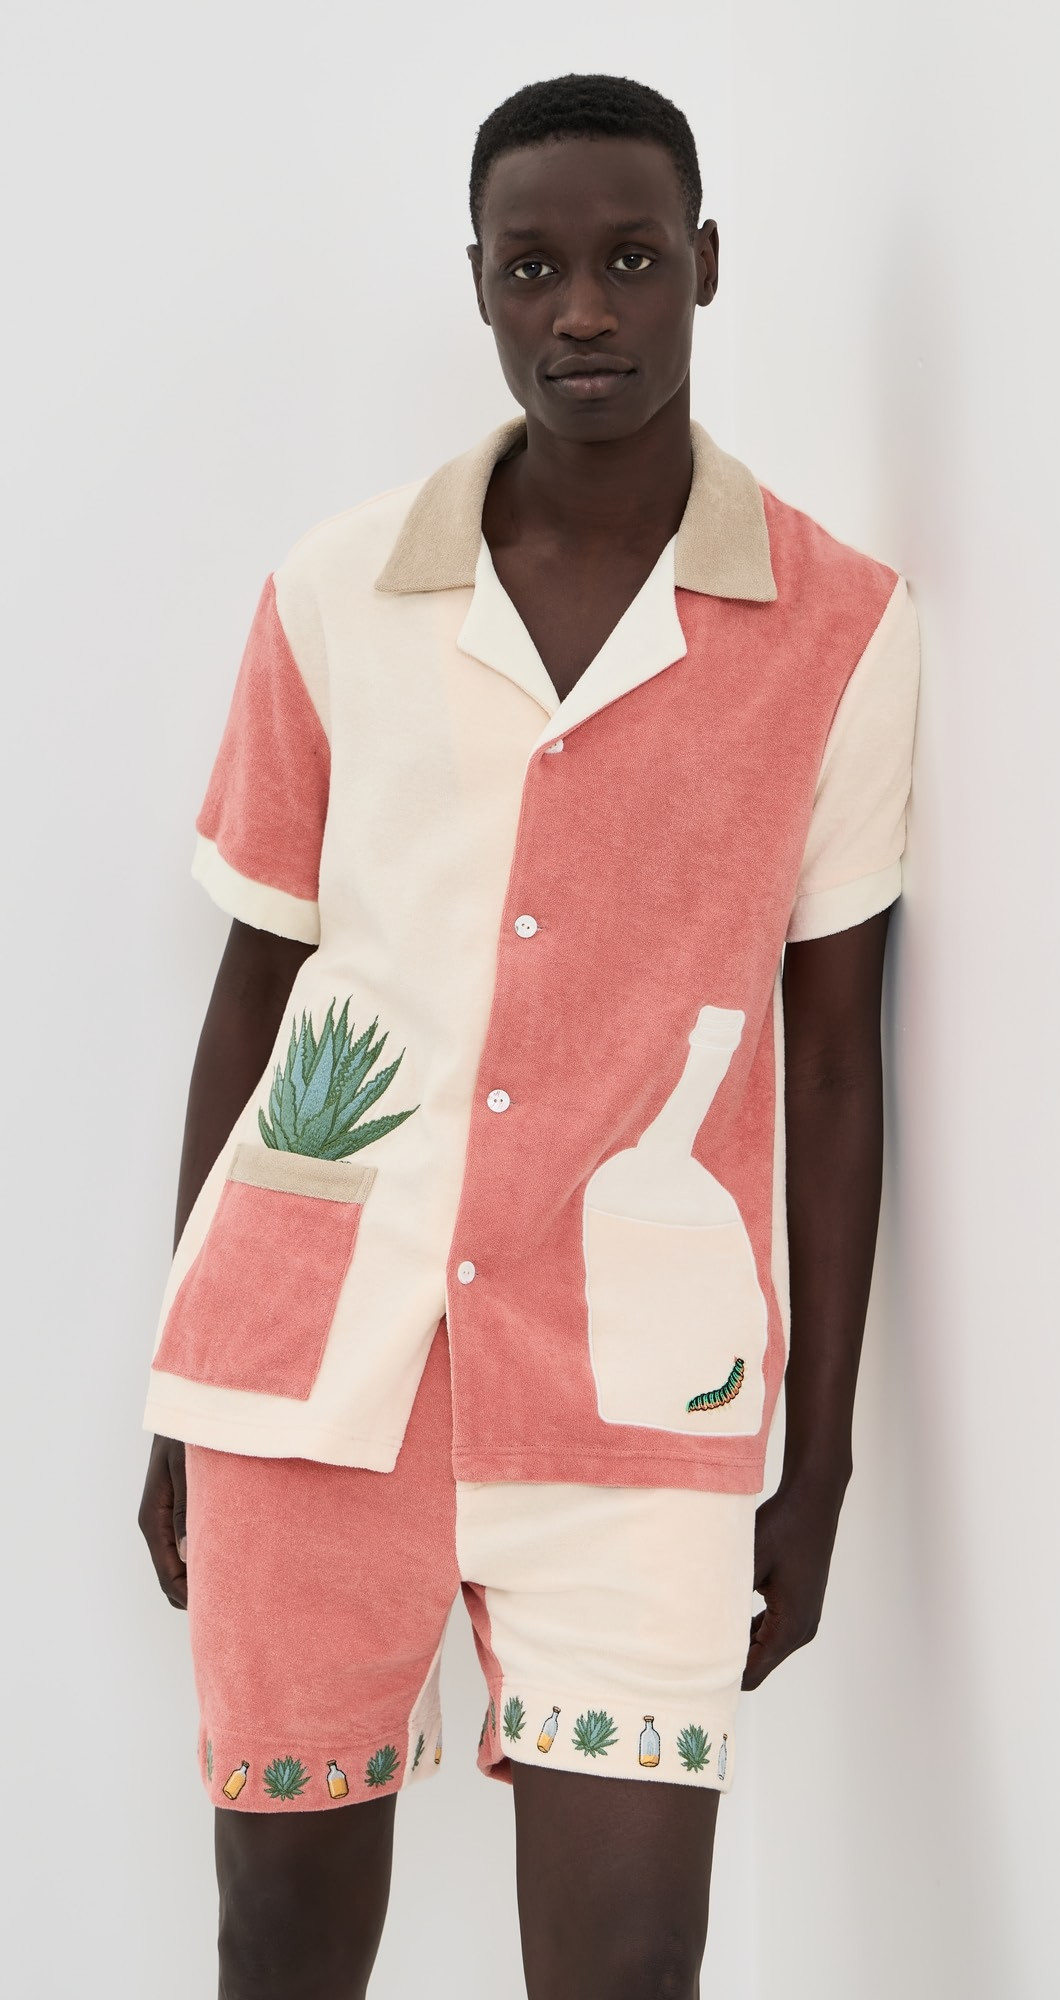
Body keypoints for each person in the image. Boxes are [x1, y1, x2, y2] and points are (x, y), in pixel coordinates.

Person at [138, 72, 919, 2000]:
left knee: (628, 1964)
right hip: (314, 1379)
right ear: (478, 284)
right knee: (279, 1947)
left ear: (705, 267)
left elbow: (836, 1062)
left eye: (632, 261)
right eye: (533, 267)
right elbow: (255, 987)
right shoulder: (336, 595)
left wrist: (819, 1461)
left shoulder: (839, 627)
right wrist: (182, 1391)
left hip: (638, 1404)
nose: (583, 309)